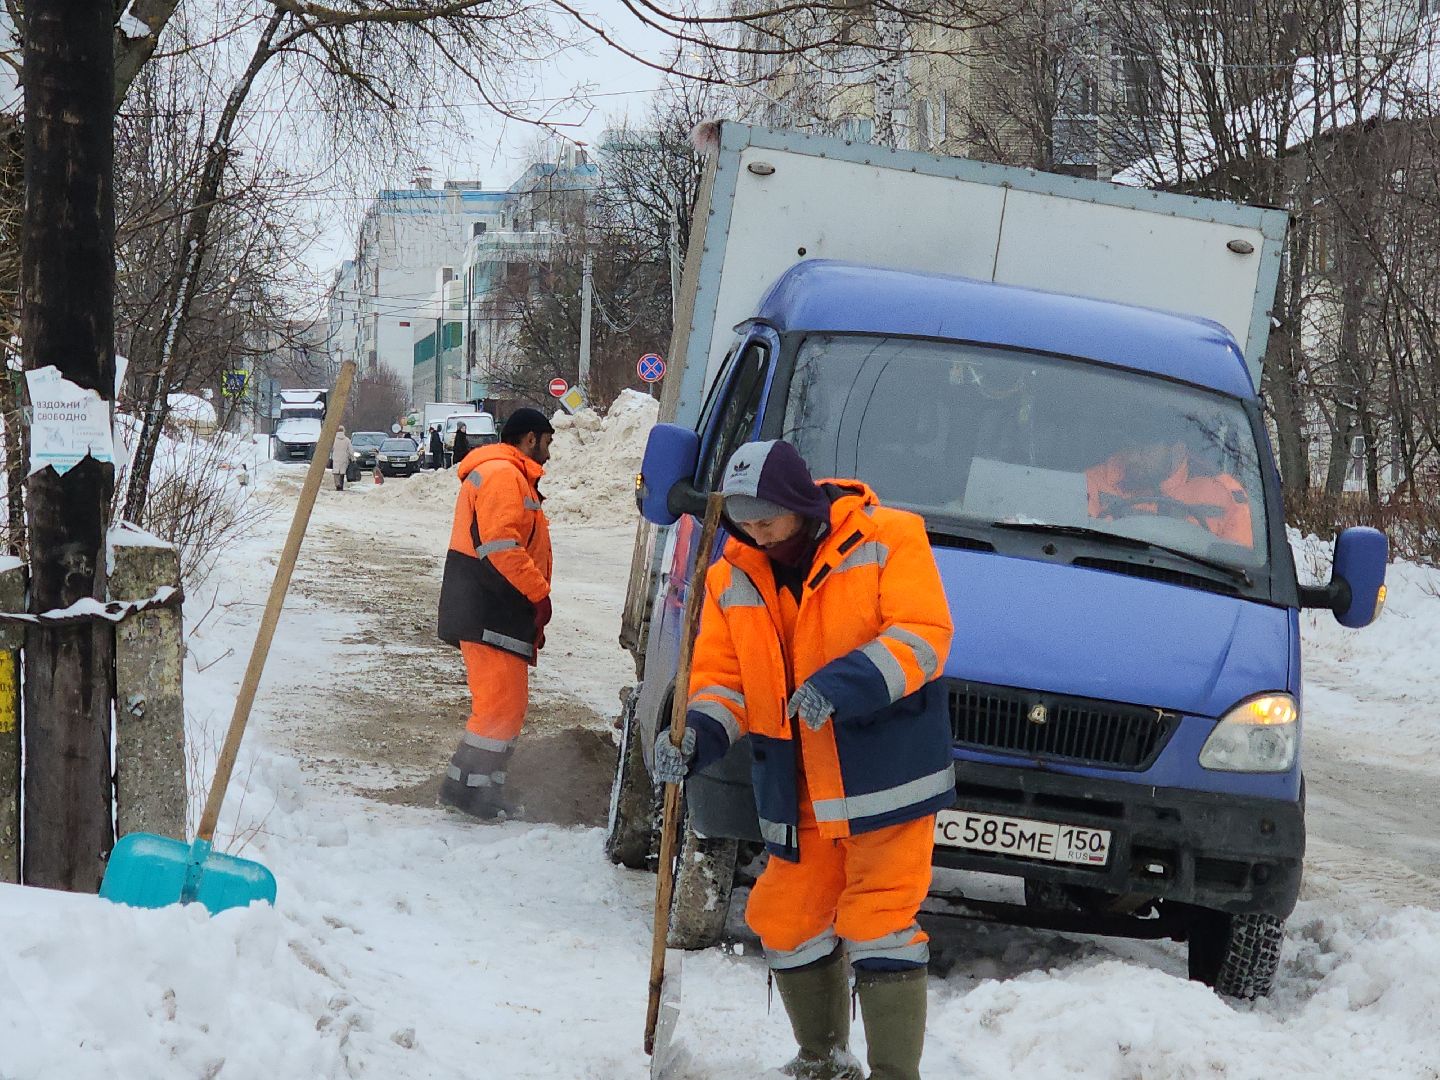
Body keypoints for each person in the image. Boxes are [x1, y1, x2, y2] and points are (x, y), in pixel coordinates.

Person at [654, 439, 954, 1080]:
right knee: (783, 919)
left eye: (766, 518)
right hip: (797, 784)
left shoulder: (888, 537)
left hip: (885, 779)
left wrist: (844, 685)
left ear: (798, 503)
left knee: (878, 921)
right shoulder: (730, 575)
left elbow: (923, 636)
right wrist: (696, 737)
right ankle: (825, 1059)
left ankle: (895, 1073)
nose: (756, 534)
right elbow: (721, 681)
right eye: (743, 521)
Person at [437, 407, 556, 819]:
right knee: (499, 705)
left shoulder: (507, 474)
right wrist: (539, 594)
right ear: (529, 439)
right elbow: (501, 547)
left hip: (491, 606)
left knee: (506, 704)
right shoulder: (505, 476)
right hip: (490, 606)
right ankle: (467, 792)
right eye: (547, 441)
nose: (549, 451)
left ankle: (478, 788)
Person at [1085, 431, 1252, 547]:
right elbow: (1080, 543)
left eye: (1144, 451)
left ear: (1177, 450)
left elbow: (1238, 571)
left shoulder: (1225, 495)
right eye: (1130, 448)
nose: (1133, 458)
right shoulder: (1095, 480)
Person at [330, 425, 352, 491]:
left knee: (336, 472)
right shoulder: (347, 440)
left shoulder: (333, 439)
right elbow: (350, 450)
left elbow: (331, 449)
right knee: (342, 473)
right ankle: (341, 485)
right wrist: (352, 458)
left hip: (336, 457)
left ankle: (337, 484)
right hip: (344, 458)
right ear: (343, 431)